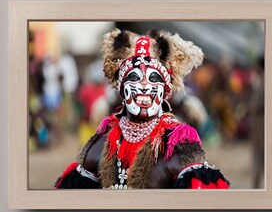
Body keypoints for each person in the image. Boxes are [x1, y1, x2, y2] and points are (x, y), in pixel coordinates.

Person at [55, 29, 229, 189]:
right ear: (122, 89)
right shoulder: (100, 144)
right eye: (134, 78)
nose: (145, 85)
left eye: (153, 78)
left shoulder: (180, 146)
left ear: (165, 91)